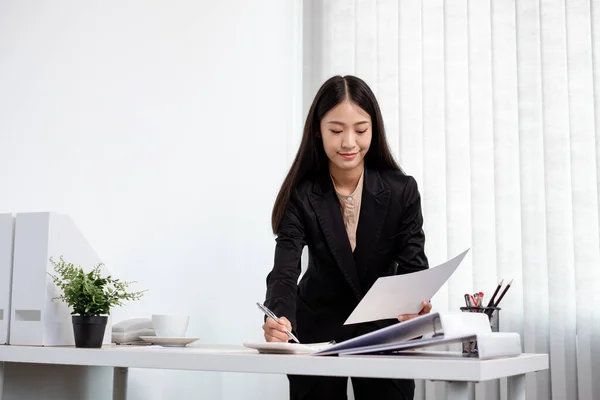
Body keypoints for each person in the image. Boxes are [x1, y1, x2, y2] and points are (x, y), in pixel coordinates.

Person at [262, 75, 431, 400]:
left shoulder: (402, 190)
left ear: (374, 130)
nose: (349, 142)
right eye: (337, 131)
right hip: (316, 329)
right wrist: (279, 317)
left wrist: (417, 305)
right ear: (318, 131)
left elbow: (414, 267)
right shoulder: (302, 194)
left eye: (361, 130)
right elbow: (284, 272)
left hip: (385, 331)